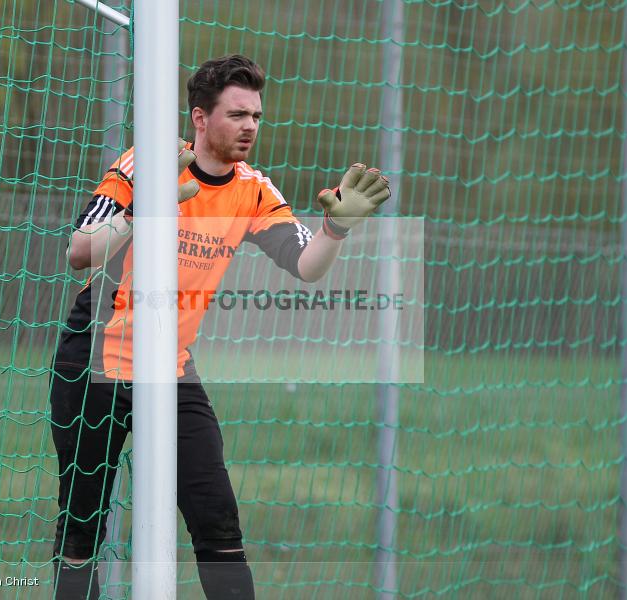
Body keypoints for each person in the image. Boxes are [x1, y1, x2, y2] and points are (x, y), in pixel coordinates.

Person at [49, 54, 391, 599]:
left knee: (219, 524)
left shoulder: (254, 190)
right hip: (95, 363)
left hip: (172, 371)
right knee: (81, 530)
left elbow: (306, 266)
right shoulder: (148, 166)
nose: (250, 125)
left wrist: (335, 229)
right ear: (200, 119)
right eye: (237, 114)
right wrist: (147, 211)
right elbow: (79, 251)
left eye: (255, 115)